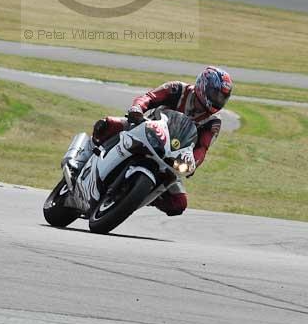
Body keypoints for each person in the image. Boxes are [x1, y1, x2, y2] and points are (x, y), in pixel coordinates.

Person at [92, 66, 233, 217]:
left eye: (222, 97)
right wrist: (137, 109)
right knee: (108, 124)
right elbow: (149, 97)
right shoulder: (177, 89)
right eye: (215, 94)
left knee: (179, 203)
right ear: (203, 86)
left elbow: (203, 148)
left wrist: (194, 163)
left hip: (172, 156)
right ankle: (89, 154)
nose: (218, 100)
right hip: (145, 129)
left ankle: (137, 195)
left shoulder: (213, 121)